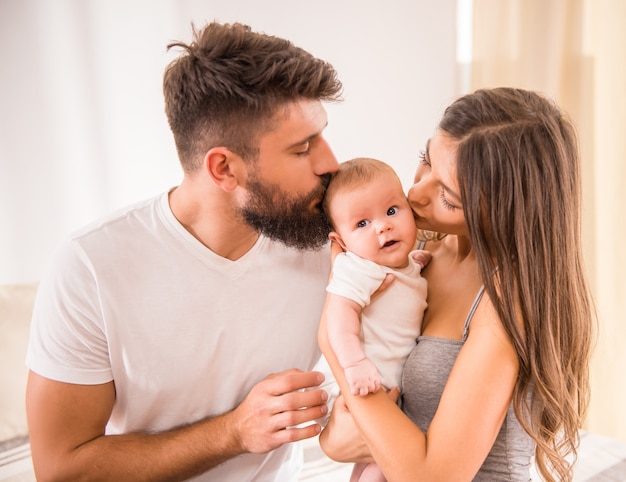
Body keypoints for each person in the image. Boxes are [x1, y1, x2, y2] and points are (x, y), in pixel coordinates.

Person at [25, 21, 343, 481]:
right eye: (302, 148)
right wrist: (234, 432)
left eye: (323, 135)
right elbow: (61, 469)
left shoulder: (326, 240)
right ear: (224, 168)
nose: (330, 162)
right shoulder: (91, 267)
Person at [318, 88, 594, 482]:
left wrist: (333, 344)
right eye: (425, 161)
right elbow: (339, 442)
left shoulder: (508, 297)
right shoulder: (421, 252)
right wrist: (340, 436)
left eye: (447, 197)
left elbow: (433, 477)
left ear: (503, 212)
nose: (415, 193)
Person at [322, 158, 430, 482]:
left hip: (390, 392)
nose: (382, 226)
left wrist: (416, 261)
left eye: (392, 211)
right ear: (341, 243)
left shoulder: (403, 262)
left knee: (374, 468)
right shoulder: (358, 267)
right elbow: (339, 314)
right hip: (370, 382)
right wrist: (354, 364)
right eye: (362, 224)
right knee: (380, 469)